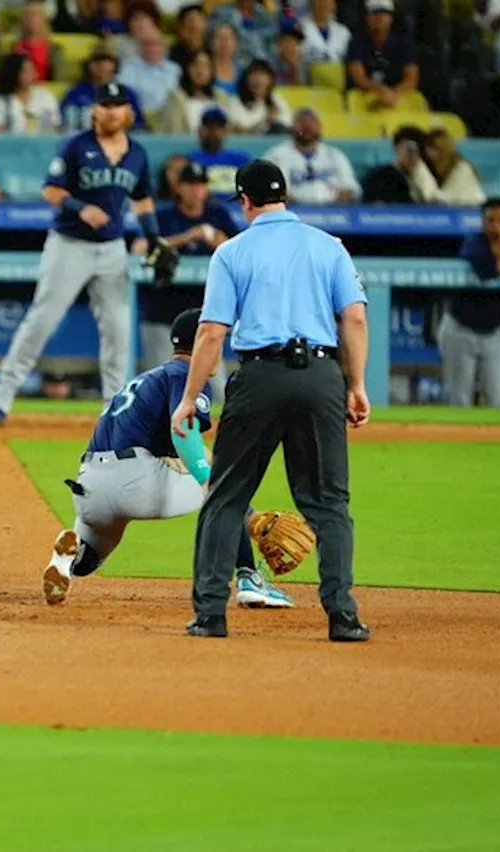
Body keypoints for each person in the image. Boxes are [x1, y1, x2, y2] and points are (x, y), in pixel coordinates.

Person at [170, 159, 371, 642]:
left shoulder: (232, 252)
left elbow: (212, 332)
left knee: (226, 498)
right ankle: (342, 617)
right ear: (285, 198)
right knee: (328, 504)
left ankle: (212, 615)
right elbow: (356, 320)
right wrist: (356, 384)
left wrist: (188, 398)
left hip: (258, 376)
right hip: (322, 375)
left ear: (244, 201)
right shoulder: (329, 246)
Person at [40, 308, 293, 609]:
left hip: (90, 486)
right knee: (226, 488)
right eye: (218, 340)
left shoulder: (145, 379)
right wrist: (221, 490)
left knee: (89, 559)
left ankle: (66, 559)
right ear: (201, 342)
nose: (219, 348)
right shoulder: (187, 375)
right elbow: (183, 433)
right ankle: (249, 579)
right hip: (136, 482)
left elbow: (179, 443)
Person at [0, 83, 159, 422]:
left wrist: (154, 237)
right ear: (95, 110)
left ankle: (114, 407)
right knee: (43, 320)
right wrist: (81, 208)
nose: (111, 111)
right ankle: (3, 394)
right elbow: (50, 189)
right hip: (69, 245)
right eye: (105, 104)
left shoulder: (137, 153)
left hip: (112, 249)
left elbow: (142, 199)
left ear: (128, 112)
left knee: (118, 329)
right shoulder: (76, 146)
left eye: (118, 105)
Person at [131, 162, 237, 397]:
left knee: (216, 391)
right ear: (179, 188)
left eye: (200, 185)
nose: (196, 191)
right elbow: (138, 248)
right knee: (160, 389)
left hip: (203, 321)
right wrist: (186, 237)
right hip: (162, 313)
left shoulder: (217, 213)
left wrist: (217, 241)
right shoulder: (164, 214)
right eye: (190, 185)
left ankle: (211, 434)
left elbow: (243, 252)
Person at [439, 198, 500, 408]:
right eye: (491, 220)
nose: (496, 227)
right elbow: (487, 269)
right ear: (483, 222)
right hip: (460, 330)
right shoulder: (473, 243)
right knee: (459, 401)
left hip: (493, 334)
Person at [263, 108, 360, 204]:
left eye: (311, 122)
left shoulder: (335, 155)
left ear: (319, 127)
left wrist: (341, 198)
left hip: (334, 211)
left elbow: (352, 190)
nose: (307, 126)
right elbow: (268, 190)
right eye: (302, 122)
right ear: (292, 126)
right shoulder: (276, 155)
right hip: (291, 211)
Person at [345, 0, 418, 110]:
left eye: (384, 14)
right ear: (367, 18)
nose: (379, 18)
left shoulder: (403, 44)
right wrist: (381, 90)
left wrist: (394, 93)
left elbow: (411, 79)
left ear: (391, 18)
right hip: (365, 97)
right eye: (374, 14)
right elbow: (359, 78)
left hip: (396, 97)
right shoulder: (356, 43)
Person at [59, 49, 145, 131]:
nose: (101, 66)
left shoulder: (126, 93)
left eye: (106, 62)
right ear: (89, 66)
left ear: (114, 65)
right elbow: (65, 122)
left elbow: (138, 125)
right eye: (96, 62)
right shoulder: (76, 93)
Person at [158, 49, 230, 134]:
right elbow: (174, 133)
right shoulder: (176, 97)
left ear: (212, 71)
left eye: (205, 66)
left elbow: (227, 131)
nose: (200, 71)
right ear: (188, 69)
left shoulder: (221, 96)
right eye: (196, 65)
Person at [408, 129, 486, 207]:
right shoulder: (444, 171)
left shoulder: (462, 169)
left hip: (472, 213)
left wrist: (419, 168)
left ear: (441, 150)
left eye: (432, 150)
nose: (430, 156)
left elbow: (437, 200)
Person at [115, 23, 179, 117]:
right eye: (147, 44)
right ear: (139, 47)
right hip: (139, 116)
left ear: (164, 46)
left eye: (156, 44)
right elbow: (125, 96)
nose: (152, 48)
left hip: (168, 117)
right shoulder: (128, 68)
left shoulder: (174, 69)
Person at [0, 53, 59, 133]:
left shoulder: (45, 96)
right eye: (26, 71)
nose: (32, 74)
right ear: (14, 73)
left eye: (32, 70)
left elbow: (54, 128)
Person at [188, 108, 250, 198]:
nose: (213, 132)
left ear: (225, 131)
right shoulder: (190, 160)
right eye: (209, 127)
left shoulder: (241, 159)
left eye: (218, 127)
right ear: (200, 130)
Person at [360, 124, 422, 204]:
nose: (413, 156)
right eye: (409, 150)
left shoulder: (422, 178)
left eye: (417, 152)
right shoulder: (379, 177)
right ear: (397, 147)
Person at [226, 58, 290, 135]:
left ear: (270, 79)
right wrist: (264, 122)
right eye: (253, 74)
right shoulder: (234, 101)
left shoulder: (276, 99)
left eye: (262, 73)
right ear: (246, 79)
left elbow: (287, 123)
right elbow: (235, 127)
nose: (258, 78)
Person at [11, 0, 65, 82]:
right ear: (22, 20)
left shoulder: (55, 50)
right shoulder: (14, 48)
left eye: (36, 15)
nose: (32, 19)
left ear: (44, 20)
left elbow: (60, 81)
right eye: (28, 15)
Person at [209, 0, 276, 65]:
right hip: (231, 66)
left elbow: (272, 47)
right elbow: (211, 41)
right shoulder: (221, 13)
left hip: (261, 67)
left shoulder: (265, 16)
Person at [300, 0, 351, 68]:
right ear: (310, 4)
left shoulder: (343, 32)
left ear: (334, 5)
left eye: (327, 0)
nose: (323, 4)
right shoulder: (299, 28)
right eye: (319, 1)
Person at [207, 23, 242, 97]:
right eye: (219, 37)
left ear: (236, 44)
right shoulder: (204, 68)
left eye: (228, 37)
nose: (224, 41)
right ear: (211, 43)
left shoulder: (242, 71)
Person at [271, 19, 307, 86]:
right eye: (287, 41)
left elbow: (301, 92)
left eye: (295, 42)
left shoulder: (305, 63)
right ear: (278, 43)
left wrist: (295, 68)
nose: (291, 46)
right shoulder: (270, 63)